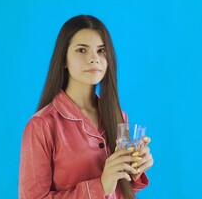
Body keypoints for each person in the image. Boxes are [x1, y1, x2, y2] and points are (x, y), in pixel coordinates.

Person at [19, 15, 154, 198]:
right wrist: (99, 186)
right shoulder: (41, 125)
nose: (94, 59)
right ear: (63, 59)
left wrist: (134, 170)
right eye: (82, 50)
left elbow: (118, 190)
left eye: (101, 50)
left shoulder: (118, 117)